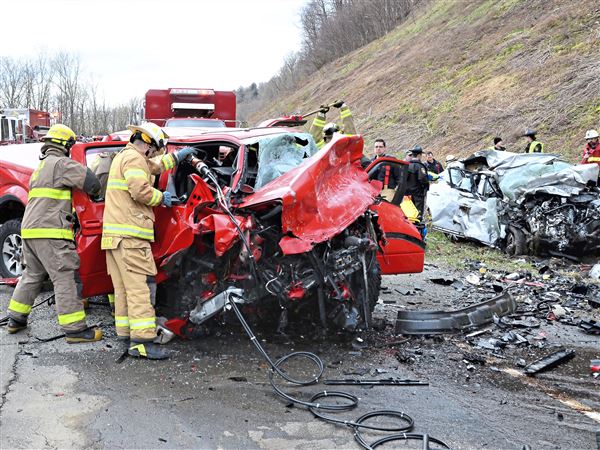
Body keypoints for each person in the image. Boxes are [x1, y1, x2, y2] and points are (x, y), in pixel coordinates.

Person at [101, 122, 195, 360]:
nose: (154, 155)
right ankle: (141, 341)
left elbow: (153, 167)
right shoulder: (134, 160)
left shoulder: (126, 157)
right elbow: (140, 191)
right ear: (148, 145)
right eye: (154, 150)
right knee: (139, 289)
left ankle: (125, 333)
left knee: (123, 289)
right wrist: (162, 197)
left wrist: (177, 158)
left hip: (115, 238)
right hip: (130, 237)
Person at [6, 124, 103, 342]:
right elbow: (93, 184)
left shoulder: (41, 167)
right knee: (64, 276)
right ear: (66, 145)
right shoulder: (61, 164)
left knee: (31, 275)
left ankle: (15, 319)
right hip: (50, 231)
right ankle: (75, 330)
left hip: (30, 231)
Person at [405, 145, 429, 234]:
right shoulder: (419, 166)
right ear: (419, 155)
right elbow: (423, 179)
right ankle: (417, 234)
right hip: (418, 194)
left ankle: (407, 231)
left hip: (407, 195)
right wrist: (426, 187)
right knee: (417, 216)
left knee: (408, 214)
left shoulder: (406, 166)